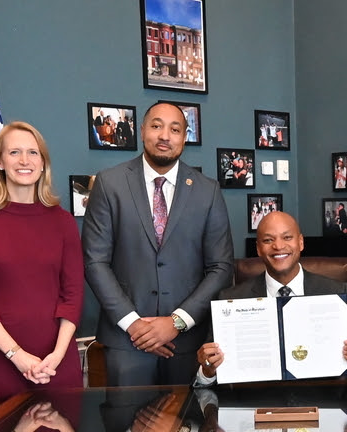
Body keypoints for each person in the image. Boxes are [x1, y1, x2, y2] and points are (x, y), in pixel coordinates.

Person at [83, 100, 234, 386]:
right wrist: (134, 325)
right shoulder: (109, 183)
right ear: (141, 131)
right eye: (156, 126)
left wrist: (175, 322)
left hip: (187, 342)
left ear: (184, 137)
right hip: (126, 342)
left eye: (175, 129)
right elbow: (95, 262)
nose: (165, 136)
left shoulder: (207, 191)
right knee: (125, 427)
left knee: (190, 425)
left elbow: (221, 267)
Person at [0, 121, 84, 399]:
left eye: (33, 153)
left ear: (43, 163)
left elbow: (73, 296)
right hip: (0, 360)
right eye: (14, 152)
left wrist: (57, 355)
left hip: (57, 362)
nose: (24, 160)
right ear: (0, 162)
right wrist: (18, 356)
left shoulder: (63, 222)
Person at [196, 209, 347, 385]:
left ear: (300, 242)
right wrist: (207, 371)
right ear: (258, 248)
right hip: (253, 408)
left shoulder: (336, 293)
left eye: (287, 237)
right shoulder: (231, 300)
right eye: (268, 240)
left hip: (325, 404)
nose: (278, 246)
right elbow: (206, 374)